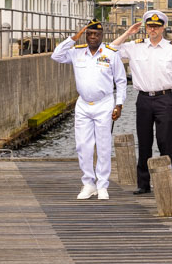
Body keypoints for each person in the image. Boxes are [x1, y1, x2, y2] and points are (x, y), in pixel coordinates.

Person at [110, 11, 172, 195]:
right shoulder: (135, 46)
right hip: (144, 99)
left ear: (163, 28)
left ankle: (167, 183)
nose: (152, 30)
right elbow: (111, 49)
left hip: (164, 98)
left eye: (156, 26)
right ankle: (143, 184)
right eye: (150, 26)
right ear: (146, 28)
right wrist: (128, 33)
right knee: (144, 141)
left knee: (165, 142)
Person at [52, 20, 127, 200]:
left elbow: (121, 81)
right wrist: (73, 38)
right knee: (83, 146)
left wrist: (119, 104)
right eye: (89, 34)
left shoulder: (111, 54)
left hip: (104, 103)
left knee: (102, 146)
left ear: (102, 36)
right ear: (85, 35)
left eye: (96, 34)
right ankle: (88, 183)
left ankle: (102, 185)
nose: (93, 37)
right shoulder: (77, 52)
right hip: (84, 104)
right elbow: (56, 55)